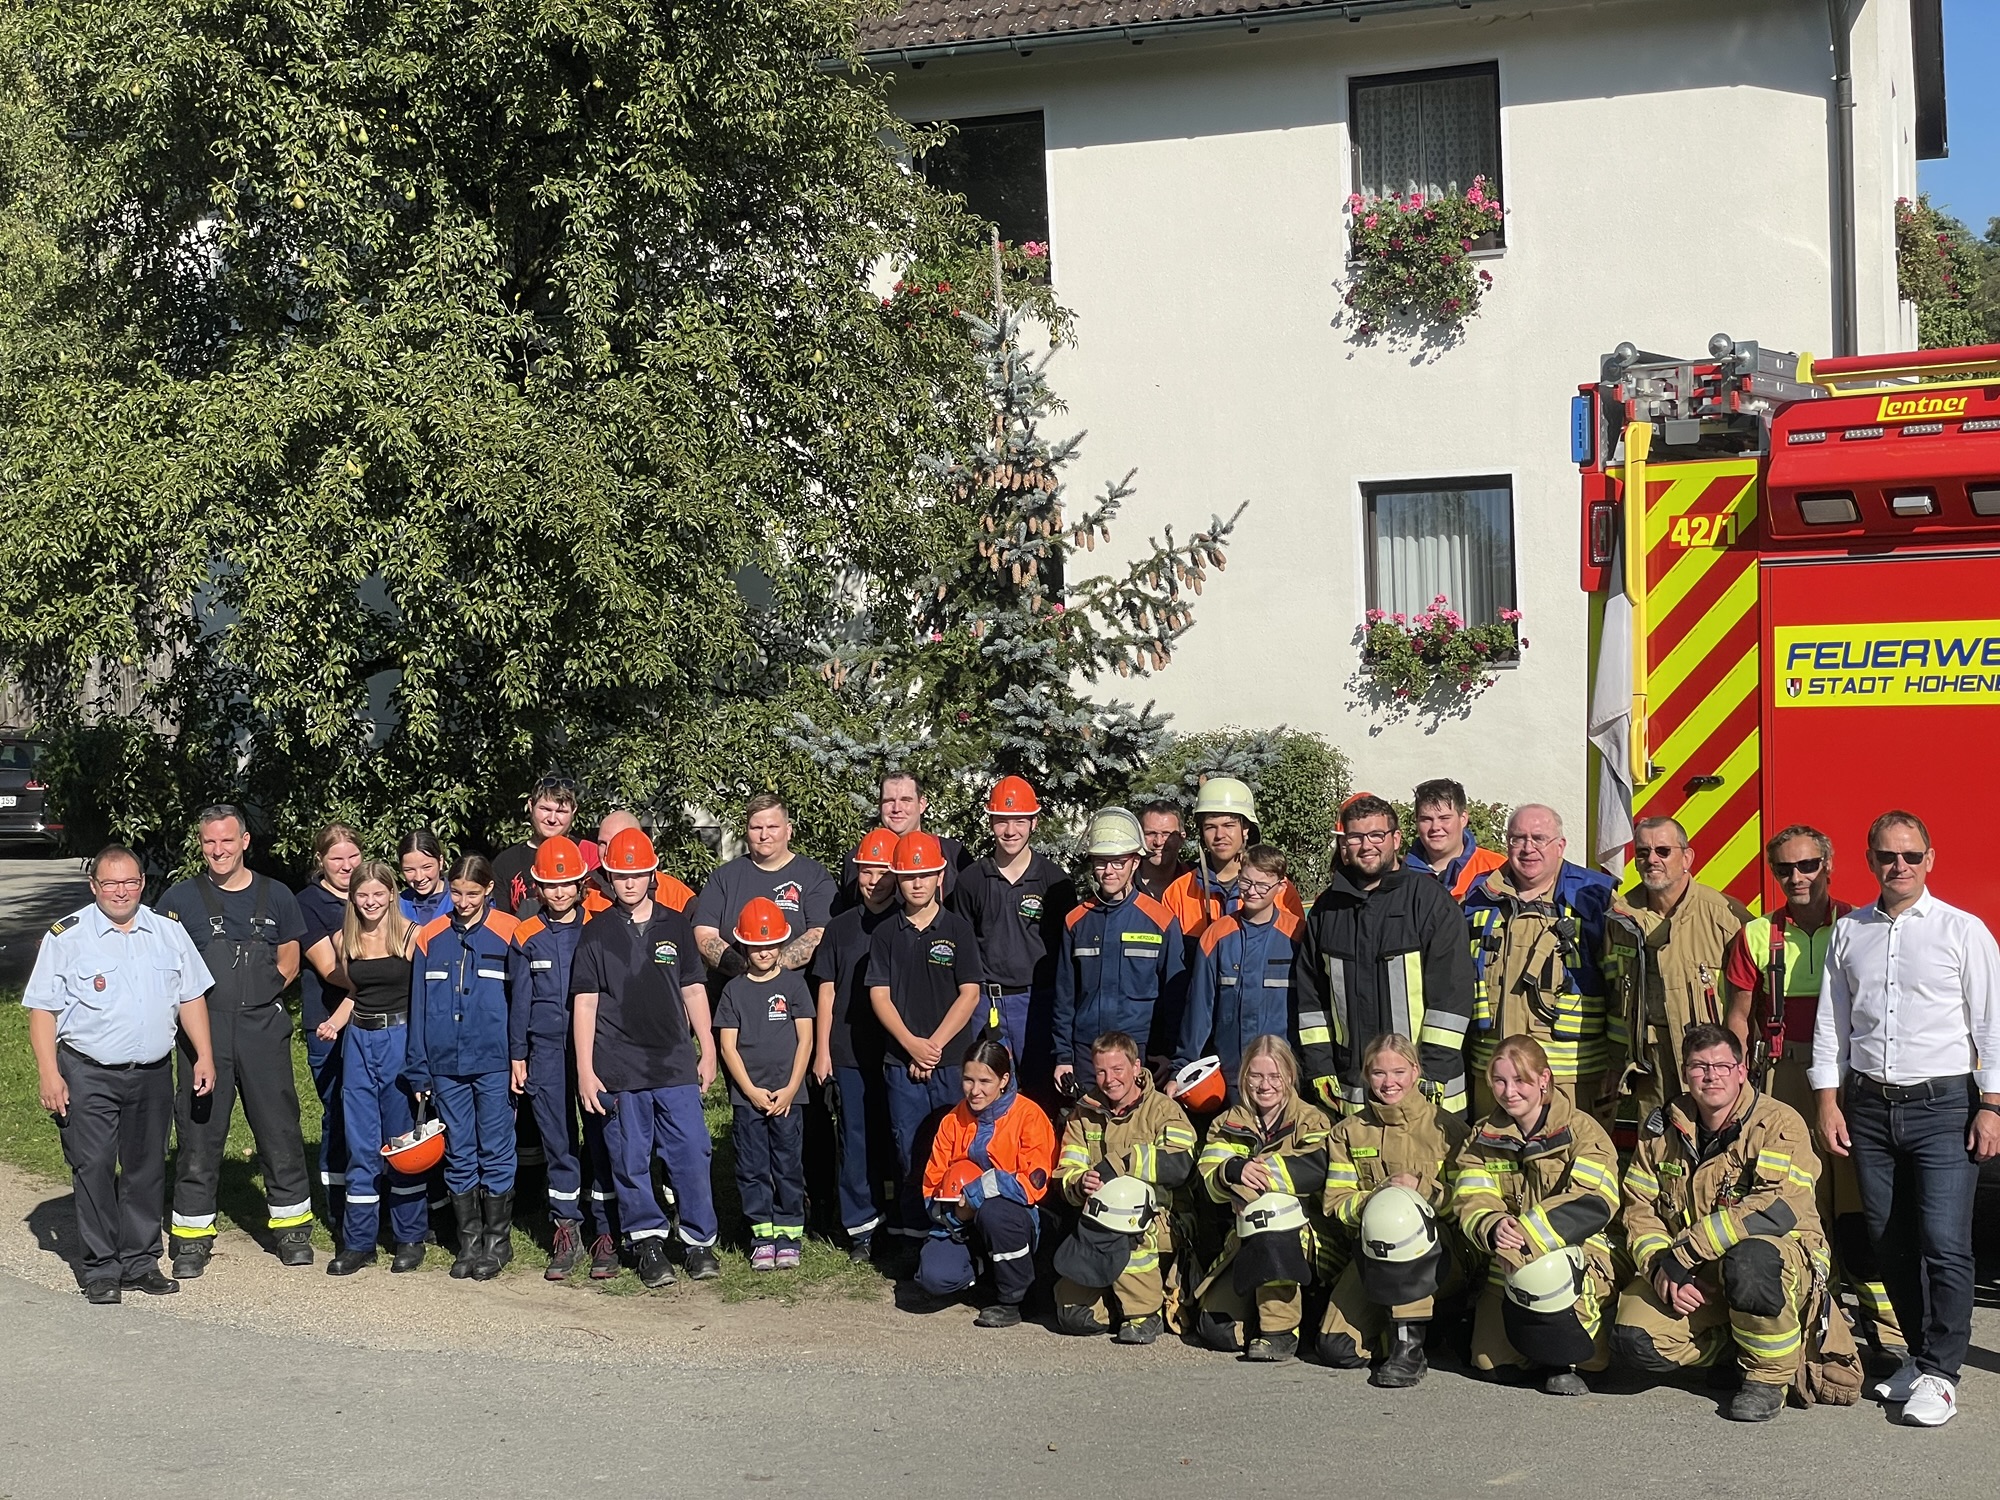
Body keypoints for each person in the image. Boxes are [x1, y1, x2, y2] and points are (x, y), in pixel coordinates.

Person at [1812, 809, 2000, 1427]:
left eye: (1911, 856)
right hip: (1868, 1107)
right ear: (1870, 862)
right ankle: (1920, 1358)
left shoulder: (1963, 931)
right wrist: (1828, 1099)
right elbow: (1832, 1023)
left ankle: (1944, 1373)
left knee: (1945, 1243)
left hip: (1945, 1107)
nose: (1900, 866)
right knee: (1891, 1241)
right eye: (1888, 856)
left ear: (1930, 860)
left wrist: (1992, 1107)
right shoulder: (1850, 932)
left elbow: (1990, 1027)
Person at [1723, 825, 1901, 1360]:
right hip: (1781, 1075)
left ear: (1829, 866)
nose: (1796, 878)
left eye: (1808, 866)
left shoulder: (1861, 925)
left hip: (1850, 1077)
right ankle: (1814, 1318)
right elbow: (1737, 1021)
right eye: (1784, 869)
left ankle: (1887, 1331)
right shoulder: (1756, 935)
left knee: (1856, 1204)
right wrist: (1734, 1095)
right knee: (1795, 1199)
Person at [22, 846, 216, 1303]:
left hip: (150, 1072)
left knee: (146, 1169)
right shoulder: (66, 936)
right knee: (93, 1168)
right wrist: (50, 1074)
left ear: (142, 884)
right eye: (110, 883)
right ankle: (101, 1268)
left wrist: (204, 1054)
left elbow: (191, 997)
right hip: (88, 1072)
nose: (121, 891)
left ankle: (140, 1261)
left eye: (129, 882)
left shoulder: (168, 933)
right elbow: (43, 1011)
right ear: (94, 887)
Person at [1614, 1024, 1836, 1423]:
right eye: (1699, 1066)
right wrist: (1660, 1270)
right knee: (1635, 1339)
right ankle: (1733, 1351)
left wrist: (1685, 1252)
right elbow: (1638, 1208)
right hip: (1694, 1269)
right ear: (1685, 1073)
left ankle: (1768, 1378)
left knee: (1751, 1260)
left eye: (1721, 1065)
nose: (1711, 1075)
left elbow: (1776, 1209)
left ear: (1741, 1069)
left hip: (1782, 1260)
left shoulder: (1779, 1124)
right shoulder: (1662, 1127)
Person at [160, 804, 315, 1277]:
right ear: (201, 844)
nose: (218, 850)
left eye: (227, 841)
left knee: (278, 1127)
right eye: (210, 842)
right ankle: (191, 1236)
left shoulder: (278, 895)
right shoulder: (180, 898)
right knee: (199, 1131)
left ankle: (292, 1231)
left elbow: (290, 956)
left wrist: (265, 995)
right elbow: (163, 962)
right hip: (202, 1029)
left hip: (261, 1029)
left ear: (245, 841)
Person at [573, 826, 722, 1288]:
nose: (629, 883)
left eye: (637, 874)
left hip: (674, 1062)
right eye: (620, 875)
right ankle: (648, 1241)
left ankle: (699, 1242)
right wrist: (584, 1069)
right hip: (619, 1067)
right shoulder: (594, 933)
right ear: (609, 879)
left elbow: (693, 988)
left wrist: (709, 1047)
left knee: (691, 1152)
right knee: (631, 1158)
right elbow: (584, 1003)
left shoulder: (675, 925)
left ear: (652, 873)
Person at [1453, 1035, 1620, 1394]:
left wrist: (1523, 1240)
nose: (1509, 1091)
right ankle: (1536, 1346)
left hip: (1575, 1256)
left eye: (1520, 1081)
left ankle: (1576, 1354)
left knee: (1582, 1352)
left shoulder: (1583, 1131)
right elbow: (1471, 1196)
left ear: (1544, 1080)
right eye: (1499, 1081)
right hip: (1507, 1259)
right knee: (1491, 1363)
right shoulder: (1482, 1136)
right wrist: (1493, 1225)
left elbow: (1592, 1201)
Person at [1295, 793, 1475, 1119]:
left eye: (1377, 835)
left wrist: (1430, 1074)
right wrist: (1319, 1067)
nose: (1367, 846)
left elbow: (1452, 1001)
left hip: (1428, 1098)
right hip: (1352, 1092)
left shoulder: (1430, 903)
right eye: (1355, 837)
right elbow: (1312, 1002)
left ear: (1395, 838)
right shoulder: (1326, 911)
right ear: (1344, 844)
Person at [1317, 1032, 1470, 1387]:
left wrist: (1424, 1191)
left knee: (1404, 1223)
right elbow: (1336, 1204)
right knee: (1338, 1349)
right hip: (1372, 1254)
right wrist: (1379, 1199)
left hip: (1440, 1255)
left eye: (1399, 1072)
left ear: (1416, 1072)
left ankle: (1409, 1351)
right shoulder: (1348, 1133)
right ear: (1366, 1075)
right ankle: (1422, 1328)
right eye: (1379, 1073)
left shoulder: (1448, 1129)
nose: (1389, 1083)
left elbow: (1468, 1202)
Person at [1459, 805, 1616, 1126]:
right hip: (1494, 1076)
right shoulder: (1479, 897)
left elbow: (1621, 987)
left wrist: (1617, 1062)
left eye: (1539, 838)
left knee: (1570, 1165)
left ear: (1560, 846)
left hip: (1570, 1080)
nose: (1528, 848)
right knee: (1493, 1165)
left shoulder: (1595, 898)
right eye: (1518, 839)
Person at [869, 831, 985, 1257]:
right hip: (902, 1063)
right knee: (910, 1151)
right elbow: (878, 994)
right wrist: (911, 1046)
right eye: (907, 877)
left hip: (952, 1061)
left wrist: (933, 1046)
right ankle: (916, 1240)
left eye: (925, 875)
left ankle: (960, 1239)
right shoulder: (885, 934)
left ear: (940, 875)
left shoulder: (957, 928)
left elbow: (969, 992)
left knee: (957, 1148)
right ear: (897, 880)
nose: (916, 884)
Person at [407, 854, 519, 1281]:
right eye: (456, 892)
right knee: (458, 1150)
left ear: (489, 889)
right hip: (444, 1064)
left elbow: (520, 1003)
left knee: (495, 1147)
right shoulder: (430, 937)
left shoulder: (510, 932)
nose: (464, 901)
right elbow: (418, 1007)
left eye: (472, 893)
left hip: (492, 1062)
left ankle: (497, 1240)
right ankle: (468, 1241)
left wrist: (517, 1057)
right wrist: (419, 1068)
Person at [508, 835, 614, 1280]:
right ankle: (565, 1227)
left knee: (603, 1135)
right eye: (550, 885)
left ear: (581, 882)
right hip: (546, 1050)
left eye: (567, 883)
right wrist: (518, 1055)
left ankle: (605, 1231)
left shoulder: (603, 923)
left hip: (598, 1048)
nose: (559, 892)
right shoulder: (525, 933)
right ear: (537, 888)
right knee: (558, 1140)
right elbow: (518, 1000)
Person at [1192, 1035, 1333, 1361]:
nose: (1265, 1085)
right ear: (1243, 1078)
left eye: (1275, 1076)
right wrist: (1233, 1170)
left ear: (1290, 1077)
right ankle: (1270, 1313)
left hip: (1303, 1237)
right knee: (1218, 1331)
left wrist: (1256, 1180)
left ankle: (1280, 1331)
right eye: (1256, 1076)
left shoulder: (1312, 1120)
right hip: (1243, 1238)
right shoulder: (1226, 1123)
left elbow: (1315, 1170)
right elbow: (1208, 1177)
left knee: (1272, 1211)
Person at [1052, 1032, 1199, 1343]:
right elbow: (1066, 1171)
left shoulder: (1163, 1109)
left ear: (1136, 1067)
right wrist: (1079, 1183)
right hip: (1097, 1221)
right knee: (1074, 1316)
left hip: (1160, 1219)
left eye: (1118, 1070)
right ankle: (1117, 1304)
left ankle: (1144, 1314)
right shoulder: (1083, 1113)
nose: (1109, 1080)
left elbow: (1180, 1164)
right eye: (1101, 1071)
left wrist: (1121, 1163)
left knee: (1129, 1220)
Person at [1602, 814, 1750, 1121]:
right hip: (1650, 1065)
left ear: (1687, 858)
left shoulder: (1725, 916)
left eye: (1663, 851)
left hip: (1713, 1064)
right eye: (1642, 853)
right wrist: (1616, 1061)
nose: (1651, 860)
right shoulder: (1620, 918)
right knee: (1657, 1148)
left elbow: (1749, 998)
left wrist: (1740, 1062)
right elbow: (1614, 995)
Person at [322, 861, 428, 1275]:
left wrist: (422, 1059)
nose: (370, 902)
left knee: (402, 1144)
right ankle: (359, 1242)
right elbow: (359, 992)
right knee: (362, 1146)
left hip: (400, 1039)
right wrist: (336, 1022)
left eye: (377, 894)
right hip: (360, 1042)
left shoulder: (412, 935)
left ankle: (410, 1236)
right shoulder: (343, 937)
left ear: (391, 894)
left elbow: (422, 997)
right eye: (361, 895)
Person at [916, 1040, 1056, 1328]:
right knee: (934, 1278)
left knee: (994, 1214)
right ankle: (987, 1274)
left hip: (1018, 1219)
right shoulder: (953, 1120)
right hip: (961, 1221)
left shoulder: (1030, 1116)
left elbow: (1033, 1186)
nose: (974, 1090)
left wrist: (977, 1194)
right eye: (968, 1080)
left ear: (1004, 1080)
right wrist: (956, 1214)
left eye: (984, 1081)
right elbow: (931, 1188)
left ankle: (1012, 1300)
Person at [810, 828, 902, 1262]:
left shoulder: (908, 922)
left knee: (898, 1139)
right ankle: (861, 1228)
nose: (875, 880)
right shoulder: (840, 929)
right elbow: (826, 991)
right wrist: (822, 1051)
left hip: (898, 1052)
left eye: (884, 871)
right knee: (856, 1140)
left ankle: (902, 1222)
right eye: (867, 870)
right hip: (848, 1049)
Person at [954, 776, 1076, 1088]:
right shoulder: (971, 881)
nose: (1010, 831)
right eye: (1002, 821)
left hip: (1037, 1002)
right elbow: (963, 951)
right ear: (990, 820)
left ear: (1034, 822)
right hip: (985, 1003)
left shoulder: (1055, 882)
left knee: (1039, 1092)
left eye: (1020, 821)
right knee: (986, 1091)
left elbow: (1065, 953)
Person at [1051, 809, 1185, 1090]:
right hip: (1087, 1052)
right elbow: (1064, 996)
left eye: (1118, 862)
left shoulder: (1160, 921)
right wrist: (1063, 1056)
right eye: (1101, 863)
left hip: (1141, 1051)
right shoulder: (1076, 921)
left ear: (1135, 862)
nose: (1109, 871)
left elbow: (1173, 1000)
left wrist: (1166, 1053)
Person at [715, 897, 816, 1271]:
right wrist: (750, 1091)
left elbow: (805, 1039)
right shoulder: (733, 991)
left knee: (788, 1164)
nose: (763, 951)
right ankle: (762, 1234)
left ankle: (790, 1233)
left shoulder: (794, 985)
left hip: (789, 1095)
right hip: (748, 1098)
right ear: (743, 944)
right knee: (753, 1167)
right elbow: (728, 1046)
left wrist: (791, 1088)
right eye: (756, 945)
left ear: (782, 943)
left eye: (770, 943)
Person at [1171, 845, 1302, 1102]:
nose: (1252, 891)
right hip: (1233, 1075)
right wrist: (1181, 1068)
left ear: (1281, 886)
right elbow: (1199, 1011)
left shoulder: (1297, 935)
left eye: (1263, 885)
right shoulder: (1216, 936)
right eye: (1246, 882)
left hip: (1284, 1075)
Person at [692, 792, 837, 984]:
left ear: (788, 831)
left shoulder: (814, 876)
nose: (764, 835)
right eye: (756, 828)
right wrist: (747, 971)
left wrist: (771, 971)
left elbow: (820, 933)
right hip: (731, 999)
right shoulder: (723, 878)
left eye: (772, 827)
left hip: (795, 1001)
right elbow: (704, 934)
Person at [298, 822, 363, 1222]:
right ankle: (338, 1207)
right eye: (336, 858)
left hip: (377, 1018)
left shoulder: (374, 894)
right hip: (328, 1021)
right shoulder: (308, 902)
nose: (346, 865)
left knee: (376, 1112)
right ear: (320, 860)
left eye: (353, 856)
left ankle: (376, 1198)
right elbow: (327, 967)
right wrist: (379, 977)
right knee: (338, 1111)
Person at [1159, 777, 1303, 950]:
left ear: (1245, 828)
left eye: (1228, 825)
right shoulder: (1179, 894)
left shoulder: (1278, 890)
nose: (1220, 835)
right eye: (1210, 826)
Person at [841, 771, 970, 899]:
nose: (897, 808)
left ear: (921, 805)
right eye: (889, 801)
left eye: (906, 800)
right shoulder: (857, 860)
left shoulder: (953, 855)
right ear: (880, 805)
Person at [491, 773, 600, 916]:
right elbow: (500, 923)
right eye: (545, 809)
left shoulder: (590, 854)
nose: (552, 819)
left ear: (573, 811)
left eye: (561, 811)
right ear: (531, 805)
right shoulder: (506, 862)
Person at [1405, 778, 1506, 900]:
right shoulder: (1399, 874)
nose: (1435, 827)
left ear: (1463, 819)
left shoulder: (1497, 869)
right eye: (1426, 819)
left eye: (1444, 818)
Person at [585, 810, 697, 918]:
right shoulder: (584, 890)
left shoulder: (675, 894)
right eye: (602, 843)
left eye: (617, 842)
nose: (608, 850)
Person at [1134, 799, 1188, 901]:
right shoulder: (1124, 885)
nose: (1158, 842)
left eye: (1167, 834)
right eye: (1150, 833)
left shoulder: (1195, 883)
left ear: (1181, 838)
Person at [397, 828, 451, 926]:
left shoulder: (461, 901)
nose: (419, 877)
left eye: (427, 867)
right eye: (409, 870)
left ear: (441, 861)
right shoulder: (397, 905)